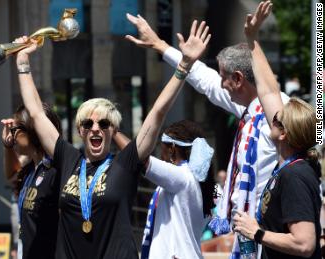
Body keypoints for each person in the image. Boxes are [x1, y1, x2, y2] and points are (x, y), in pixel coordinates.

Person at [13, 16, 210, 258]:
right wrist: (23, 62)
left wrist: (184, 67)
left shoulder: (124, 163)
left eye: (104, 123)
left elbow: (158, 112)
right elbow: (35, 112)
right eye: (88, 123)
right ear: (80, 130)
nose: (95, 128)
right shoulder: (68, 160)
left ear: (112, 130)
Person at [123, 8, 290, 257]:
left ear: (238, 79)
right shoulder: (247, 107)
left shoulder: (280, 112)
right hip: (246, 233)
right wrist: (161, 46)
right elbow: (206, 81)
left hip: (271, 229)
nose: (221, 84)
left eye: (225, 78)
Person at [233, 2, 321, 258]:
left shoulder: (295, 176)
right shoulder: (290, 164)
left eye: (276, 118)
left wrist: (257, 232)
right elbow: (269, 90)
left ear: (284, 133)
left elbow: (305, 245)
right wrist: (252, 39)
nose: (271, 115)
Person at [113, 120, 217, 259]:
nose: (158, 153)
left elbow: (139, 158)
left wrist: (113, 131)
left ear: (172, 148)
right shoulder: (196, 181)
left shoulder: (182, 177)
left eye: (160, 147)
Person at [1, 104, 62, 259]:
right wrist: (8, 147)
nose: (12, 136)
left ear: (32, 131)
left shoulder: (55, 170)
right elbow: (12, 174)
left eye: (15, 131)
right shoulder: (31, 168)